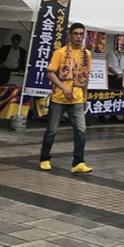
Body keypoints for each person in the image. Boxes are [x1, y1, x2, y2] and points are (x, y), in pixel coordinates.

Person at [39, 23, 93, 173]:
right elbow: (50, 72)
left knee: (81, 130)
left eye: (81, 34)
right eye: (75, 33)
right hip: (59, 98)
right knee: (52, 130)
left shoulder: (86, 54)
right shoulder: (60, 52)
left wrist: (85, 96)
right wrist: (63, 87)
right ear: (70, 35)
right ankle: (44, 158)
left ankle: (78, 162)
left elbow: (85, 76)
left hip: (77, 98)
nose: (78, 37)